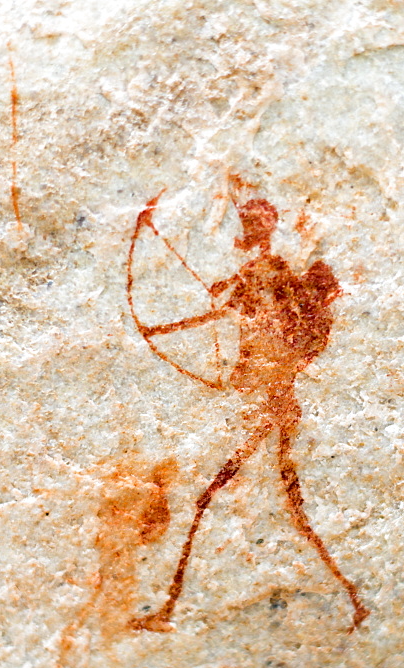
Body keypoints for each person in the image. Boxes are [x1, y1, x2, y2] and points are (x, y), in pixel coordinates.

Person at [129, 184, 369, 632]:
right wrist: (164, 329)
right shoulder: (263, 273)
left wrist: (161, 330)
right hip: (275, 399)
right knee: (288, 504)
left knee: (216, 498)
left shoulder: (269, 273)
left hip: (274, 405)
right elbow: (228, 312)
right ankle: (352, 596)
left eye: (248, 226)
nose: (244, 234)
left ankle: (169, 608)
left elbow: (221, 316)